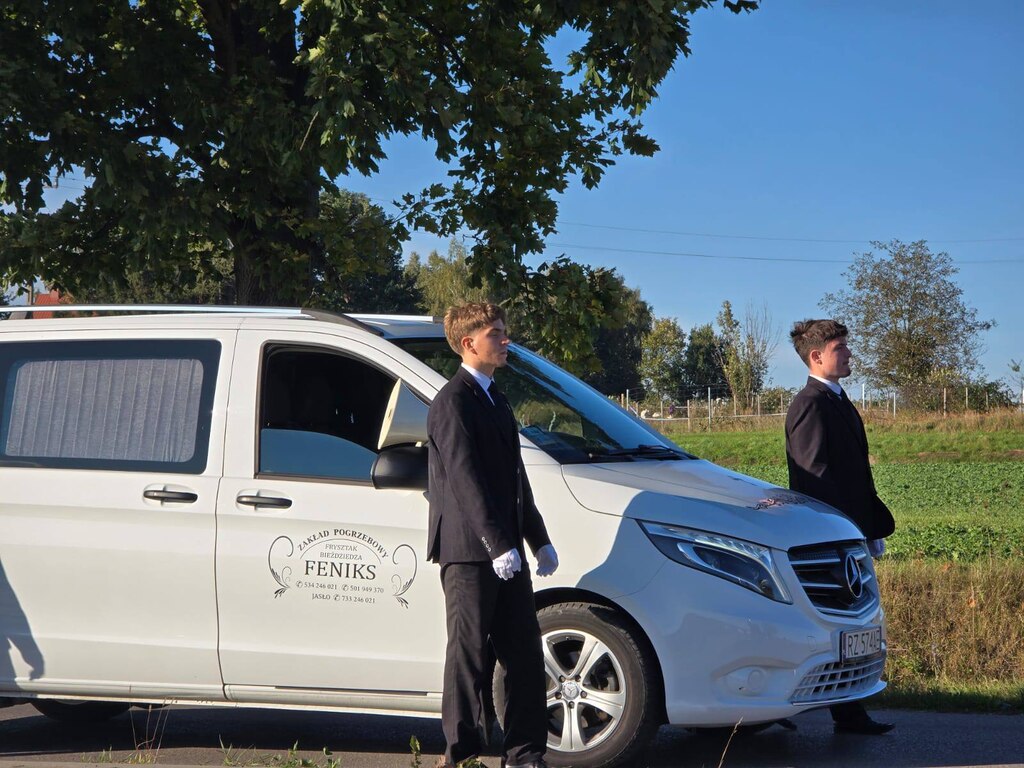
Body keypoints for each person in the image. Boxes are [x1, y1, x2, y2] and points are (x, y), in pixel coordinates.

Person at [427, 302, 558, 768]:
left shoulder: (496, 398)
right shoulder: (452, 402)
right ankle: (460, 756)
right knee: (469, 659)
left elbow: (515, 477)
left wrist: (538, 539)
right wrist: (497, 544)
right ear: (469, 343)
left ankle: (525, 753)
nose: (506, 340)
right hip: (469, 553)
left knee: (524, 654)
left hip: (507, 552)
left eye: (504, 331)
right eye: (496, 333)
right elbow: (465, 480)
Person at [785, 319, 896, 736]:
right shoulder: (809, 404)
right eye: (840, 347)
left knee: (852, 627)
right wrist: (841, 534)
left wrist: (869, 528)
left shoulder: (836, 398)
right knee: (834, 626)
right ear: (816, 356)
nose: (849, 353)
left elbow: (854, 474)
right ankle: (801, 706)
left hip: (851, 533)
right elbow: (812, 477)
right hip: (831, 538)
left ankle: (849, 712)